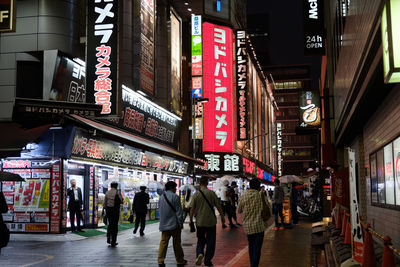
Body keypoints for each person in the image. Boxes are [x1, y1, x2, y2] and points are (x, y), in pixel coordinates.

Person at [190, 176, 226, 267]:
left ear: (199, 183)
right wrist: (222, 216)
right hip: (210, 222)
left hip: (200, 222)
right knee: (211, 241)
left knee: (200, 240)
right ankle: (208, 260)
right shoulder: (211, 193)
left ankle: (199, 254)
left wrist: (190, 220)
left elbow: (192, 209)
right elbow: (218, 206)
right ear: (207, 183)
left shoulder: (196, 194)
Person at [238, 179, 266, 267]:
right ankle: (254, 265)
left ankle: (252, 264)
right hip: (259, 226)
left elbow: (239, 210)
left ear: (250, 185)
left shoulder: (244, 196)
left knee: (251, 246)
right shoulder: (261, 195)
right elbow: (268, 208)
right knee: (257, 249)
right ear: (258, 186)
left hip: (248, 227)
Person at [158, 181, 187, 267]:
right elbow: (179, 212)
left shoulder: (161, 197)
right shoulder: (175, 197)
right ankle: (180, 260)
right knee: (177, 243)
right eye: (175, 188)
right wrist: (181, 223)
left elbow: (160, 210)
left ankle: (160, 261)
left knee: (163, 243)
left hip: (164, 224)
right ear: (171, 188)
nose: (176, 189)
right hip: (174, 225)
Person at [103, 181, 123, 247]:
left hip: (108, 210)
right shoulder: (117, 192)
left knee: (110, 224)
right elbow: (121, 201)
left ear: (111, 186)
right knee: (115, 225)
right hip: (115, 210)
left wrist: (104, 210)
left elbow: (104, 202)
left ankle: (108, 238)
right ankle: (113, 241)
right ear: (116, 186)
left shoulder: (107, 192)